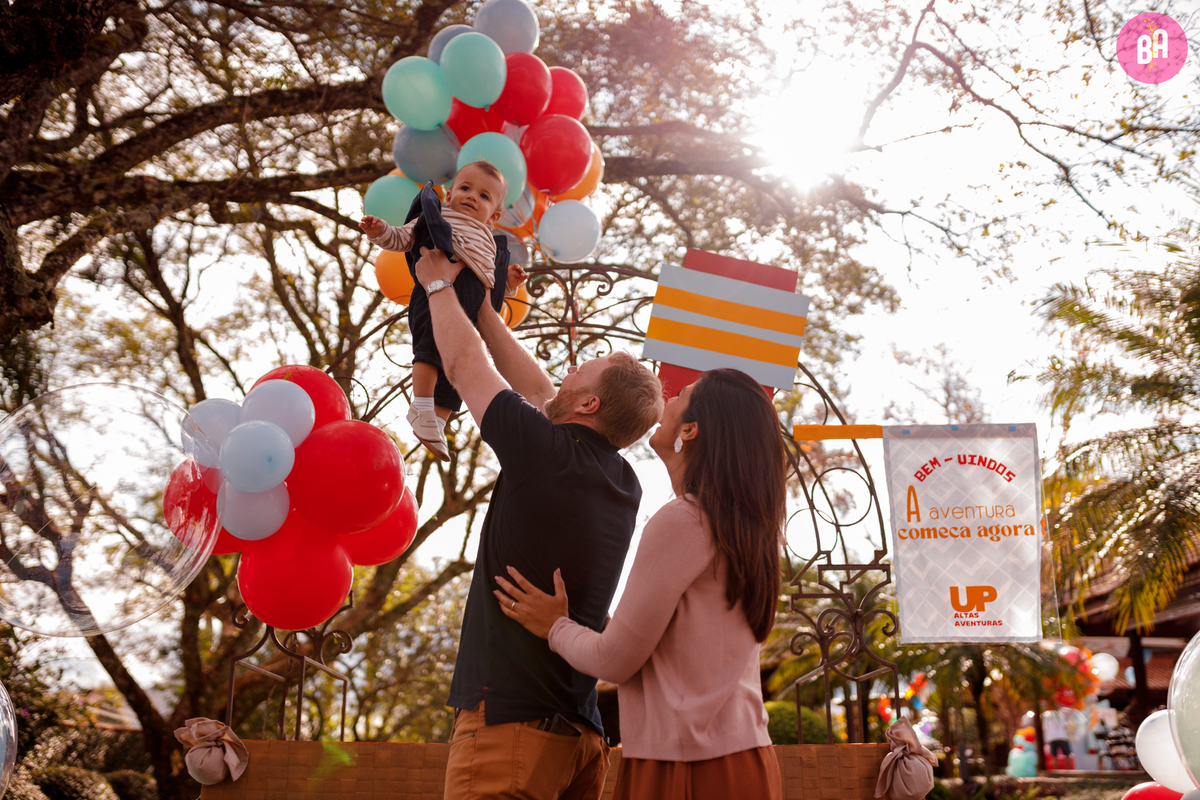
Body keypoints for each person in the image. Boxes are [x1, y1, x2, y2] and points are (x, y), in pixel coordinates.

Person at [412, 245, 665, 800]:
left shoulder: (545, 453)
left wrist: (437, 285)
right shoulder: (623, 481)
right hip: (580, 741)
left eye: (580, 371)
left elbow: (463, 366)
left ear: (590, 405)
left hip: (511, 733)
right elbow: (542, 393)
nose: (566, 372)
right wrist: (484, 309)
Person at [494, 368, 786, 800]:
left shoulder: (684, 519)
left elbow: (615, 661)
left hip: (687, 767)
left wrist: (555, 626)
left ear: (690, 430)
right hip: (741, 761)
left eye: (681, 394)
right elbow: (682, 651)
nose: (667, 398)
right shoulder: (745, 529)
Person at [360, 160, 526, 461]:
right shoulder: (437, 217)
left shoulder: (490, 243)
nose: (472, 196)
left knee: (463, 365)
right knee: (431, 350)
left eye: (484, 196)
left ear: (494, 215)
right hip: (435, 290)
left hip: (470, 306)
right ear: (449, 195)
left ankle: (436, 419)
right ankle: (421, 406)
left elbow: (491, 282)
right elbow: (403, 238)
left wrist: (510, 284)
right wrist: (380, 231)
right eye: (465, 188)